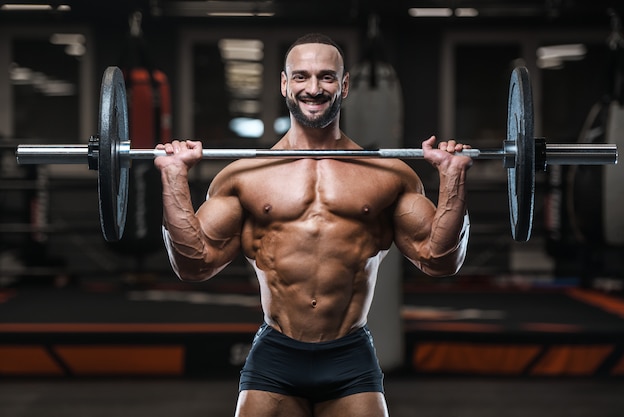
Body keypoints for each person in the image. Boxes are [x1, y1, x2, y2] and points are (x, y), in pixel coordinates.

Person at [154, 33, 472, 417]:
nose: (314, 88)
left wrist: (453, 177)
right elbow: (193, 265)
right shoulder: (245, 177)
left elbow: (439, 261)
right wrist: (173, 177)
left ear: (345, 84)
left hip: (349, 355)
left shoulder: (388, 176)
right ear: (285, 84)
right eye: (301, 77)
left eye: (326, 76)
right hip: (276, 355)